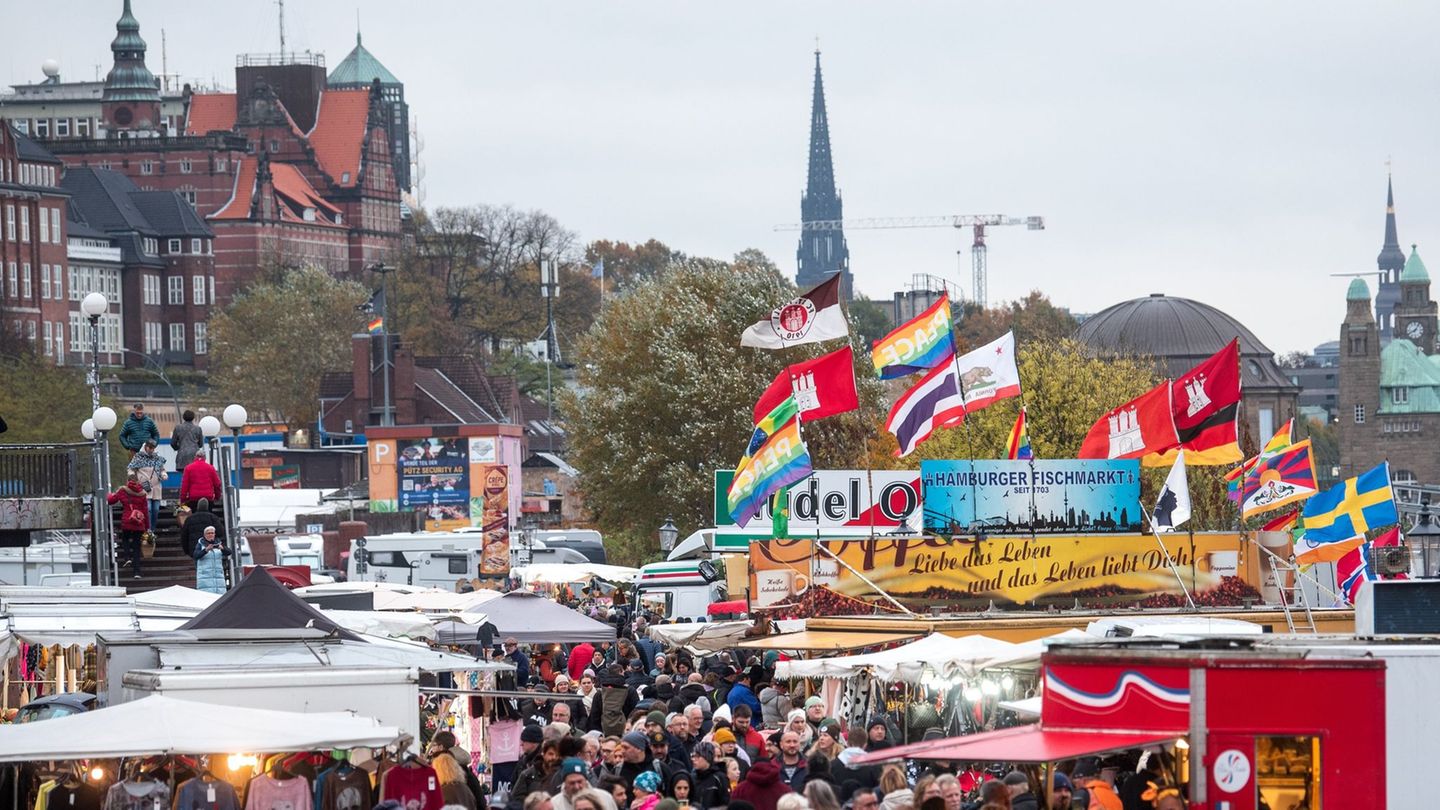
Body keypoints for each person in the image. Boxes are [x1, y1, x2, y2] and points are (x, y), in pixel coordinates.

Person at [107, 475, 149, 578]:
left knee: (125, 539)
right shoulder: (143, 493)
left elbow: (111, 500)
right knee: (136, 547)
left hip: (127, 520)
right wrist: (146, 526)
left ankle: (127, 558)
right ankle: (137, 572)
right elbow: (145, 511)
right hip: (139, 523)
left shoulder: (123, 490)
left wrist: (108, 494)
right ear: (138, 481)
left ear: (128, 481)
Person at [127, 439, 166, 531]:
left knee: (156, 509)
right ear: (146, 446)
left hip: (156, 487)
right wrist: (132, 474)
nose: (151, 450)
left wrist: (164, 474)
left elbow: (162, 469)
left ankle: (152, 529)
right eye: (150, 448)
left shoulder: (157, 458)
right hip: (144, 486)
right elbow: (131, 468)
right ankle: (148, 529)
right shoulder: (138, 457)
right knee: (148, 508)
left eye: (153, 448)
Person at [689, 742, 729, 810]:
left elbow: (726, 804)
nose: (693, 759)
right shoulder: (692, 778)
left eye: (697, 756)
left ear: (707, 757)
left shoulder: (720, 778)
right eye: (693, 756)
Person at [192, 525, 231, 594]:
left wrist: (222, 548)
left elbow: (229, 552)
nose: (210, 535)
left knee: (219, 597)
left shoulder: (219, 543)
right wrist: (206, 550)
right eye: (208, 533)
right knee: (206, 596)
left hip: (218, 577)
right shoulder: (200, 544)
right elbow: (196, 555)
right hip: (205, 577)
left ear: (214, 534)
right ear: (204, 535)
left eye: (212, 533)